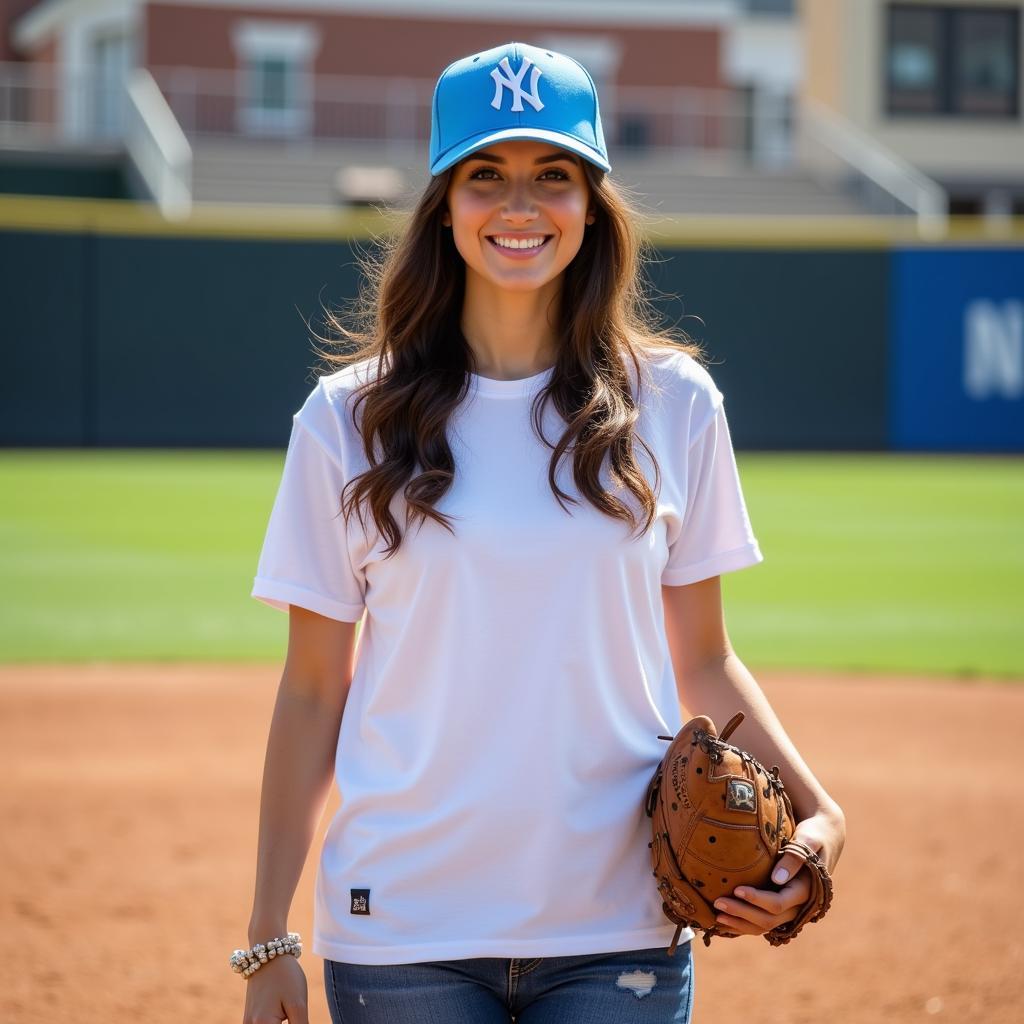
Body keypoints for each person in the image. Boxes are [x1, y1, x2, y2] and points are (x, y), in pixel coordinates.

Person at [239, 41, 846, 1024]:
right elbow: (313, 688)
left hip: (614, 928)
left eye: (552, 177)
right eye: (486, 176)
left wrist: (822, 810)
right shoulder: (345, 418)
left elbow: (705, 654)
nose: (519, 205)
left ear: (591, 206)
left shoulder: (675, 403)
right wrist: (268, 934)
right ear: (443, 204)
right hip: (402, 927)